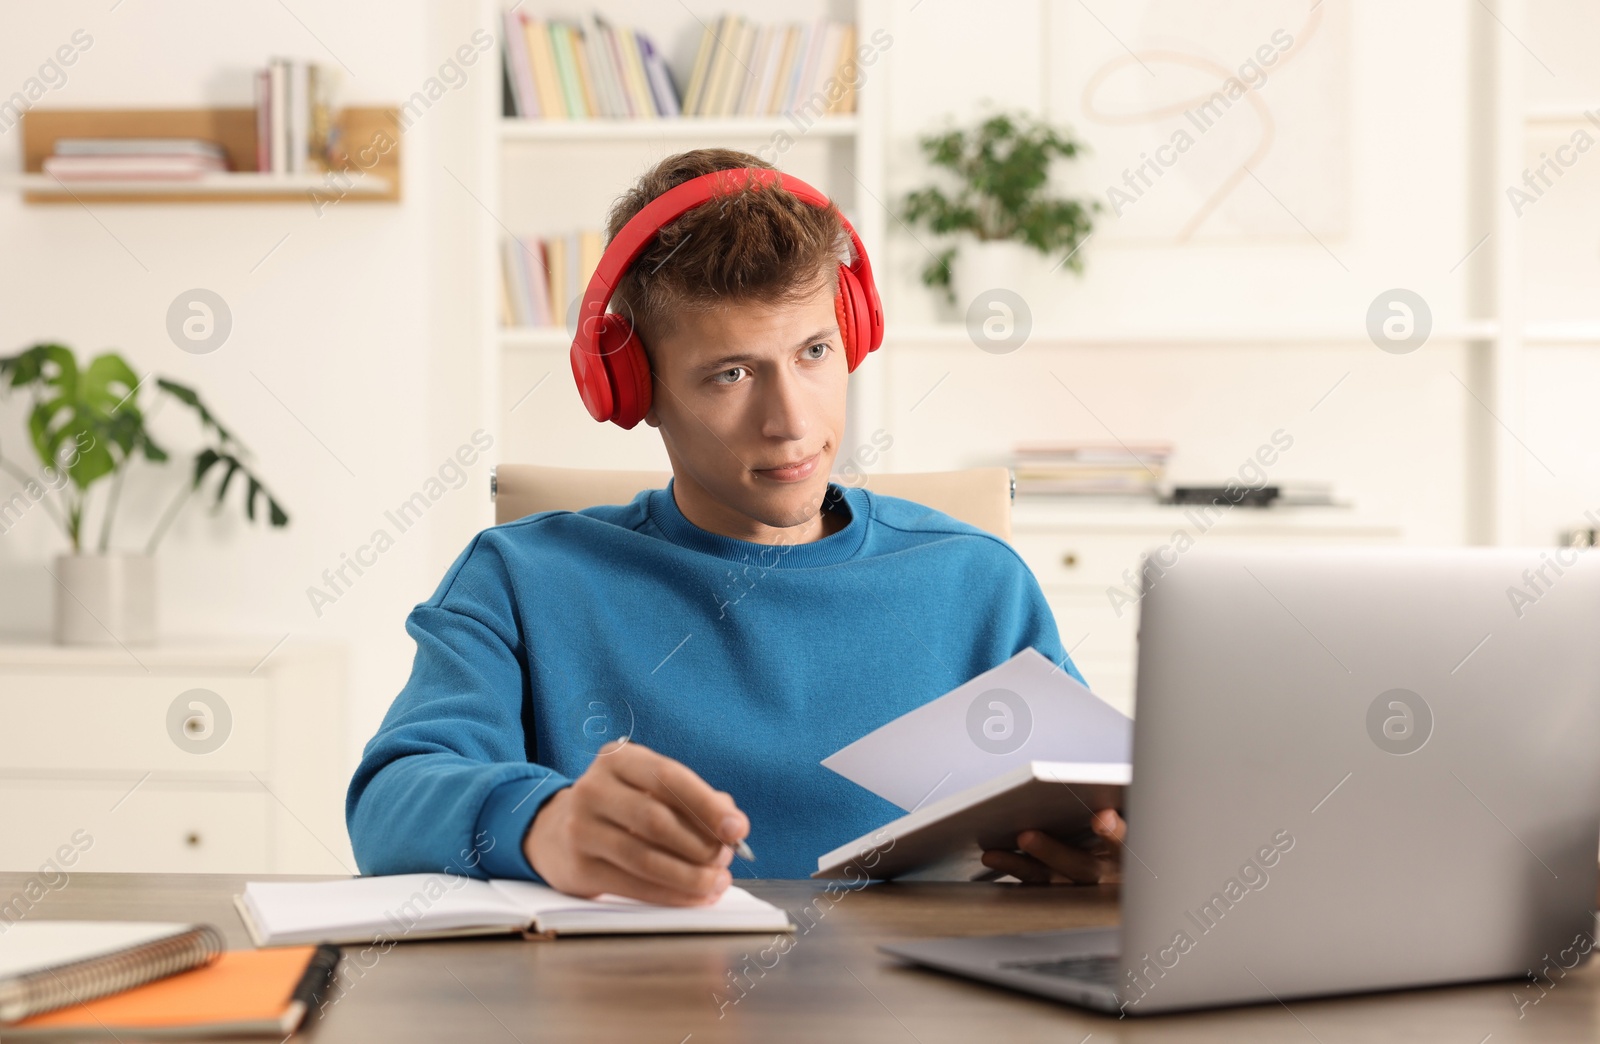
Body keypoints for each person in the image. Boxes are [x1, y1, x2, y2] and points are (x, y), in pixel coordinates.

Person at [346, 148, 1125, 906]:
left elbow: (1103, 811)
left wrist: (1123, 858)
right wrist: (544, 826)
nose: (791, 422)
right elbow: (389, 801)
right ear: (635, 388)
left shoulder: (977, 584)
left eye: (815, 351)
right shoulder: (520, 577)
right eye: (733, 373)